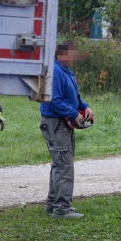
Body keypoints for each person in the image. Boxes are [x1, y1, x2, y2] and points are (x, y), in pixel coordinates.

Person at [40, 40, 94, 219]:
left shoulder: (66, 71)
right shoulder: (55, 72)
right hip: (56, 123)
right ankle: (62, 209)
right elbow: (53, 100)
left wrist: (85, 107)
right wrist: (73, 114)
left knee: (60, 163)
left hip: (63, 123)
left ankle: (52, 204)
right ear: (63, 54)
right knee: (64, 165)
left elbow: (75, 97)